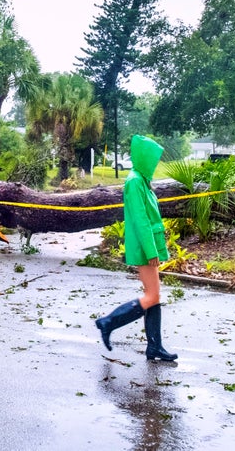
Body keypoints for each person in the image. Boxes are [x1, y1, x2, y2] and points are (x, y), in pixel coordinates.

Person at [94, 134, 177, 361]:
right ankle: (108, 322)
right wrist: (151, 252)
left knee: (155, 296)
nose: (154, 163)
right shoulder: (134, 182)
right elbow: (141, 221)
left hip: (149, 246)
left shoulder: (141, 180)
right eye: (152, 159)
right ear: (143, 158)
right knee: (151, 296)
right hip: (144, 248)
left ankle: (155, 347)